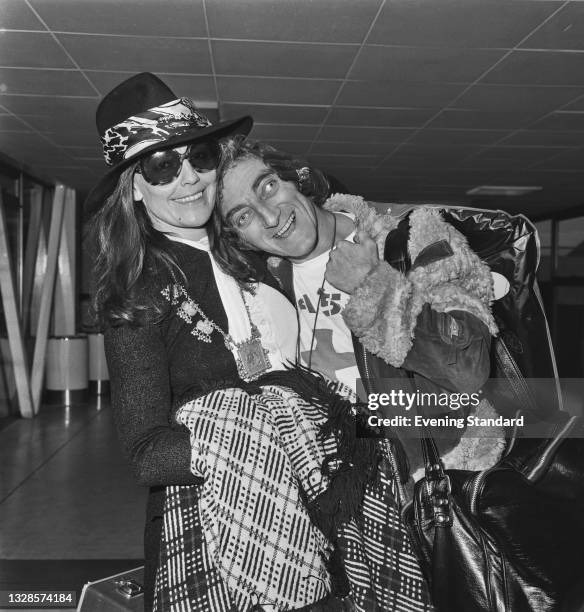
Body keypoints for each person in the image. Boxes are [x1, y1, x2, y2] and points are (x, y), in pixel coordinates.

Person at [87, 73, 439, 612]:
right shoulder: (136, 292)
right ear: (134, 185)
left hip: (340, 494)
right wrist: (279, 438)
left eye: (200, 157)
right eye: (162, 166)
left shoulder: (252, 249)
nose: (188, 179)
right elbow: (145, 455)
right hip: (219, 521)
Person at [212, 139, 506, 480]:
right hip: (340, 487)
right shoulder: (265, 286)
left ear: (296, 179)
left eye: (268, 186)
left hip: (431, 483)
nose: (270, 216)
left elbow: (468, 367)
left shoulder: (414, 238)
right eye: (243, 215)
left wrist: (372, 284)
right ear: (240, 238)